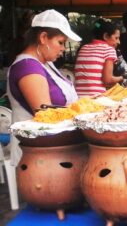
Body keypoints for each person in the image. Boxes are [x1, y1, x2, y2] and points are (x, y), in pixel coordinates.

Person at [7, 9, 81, 166]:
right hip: (37, 157)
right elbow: (45, 114)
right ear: (43, 38)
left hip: (56, 151)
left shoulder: (46, 64)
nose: (63, 48)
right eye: (60, 42)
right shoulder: (27, 67)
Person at [74, 18, 123, 97]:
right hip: (97, 99)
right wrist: (122, 78)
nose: (118, 42)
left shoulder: (83, 48)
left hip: (79, 98)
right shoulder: (108, 49)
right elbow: (108, 80)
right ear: (106, 36)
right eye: (116, 38)